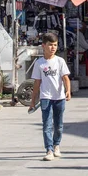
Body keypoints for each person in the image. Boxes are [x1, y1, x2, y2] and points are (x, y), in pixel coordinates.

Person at [30, 33, 71, 161]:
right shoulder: (39, 63)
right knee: (47, 124)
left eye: (55, 45)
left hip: (59, 97)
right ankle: (49, 149)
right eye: (50, 45)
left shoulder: (60, 61)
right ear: (43, 46)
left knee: (58, 125)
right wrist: (33, 100)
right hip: (45, 98)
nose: (53, 48)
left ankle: (56, 145)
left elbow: (65, 78)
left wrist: (68, 91)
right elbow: (37, 83)